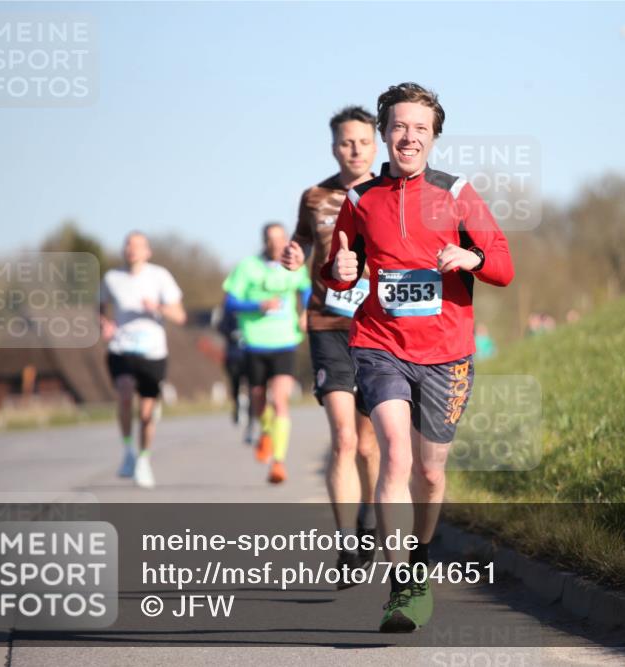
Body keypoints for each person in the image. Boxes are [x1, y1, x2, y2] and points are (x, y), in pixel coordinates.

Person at [321, 82, 513, 632]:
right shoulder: (360, 201)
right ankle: (400, 585)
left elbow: (503, 265)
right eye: (399, 126)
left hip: (446, 354)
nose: (409, 136)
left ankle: (420, 561)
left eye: (420, 129)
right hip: (379, 346)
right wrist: (339, 270)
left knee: (430, 474)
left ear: (433, 137)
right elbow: (338, 267)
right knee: (395, 458)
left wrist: (469, 255)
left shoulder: (456, 193)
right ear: (385, 132)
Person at [282, 106, 381, 584]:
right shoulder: (316, 196)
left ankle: (367, 518)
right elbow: (302, 243)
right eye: (347, 142)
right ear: (334, 146)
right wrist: (292, 253)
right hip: (328, 325)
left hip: (379, 329)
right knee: (343, 437)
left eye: (363, 141)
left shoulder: (391, 193)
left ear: (375, 145)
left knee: (368, 444)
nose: (355, 149)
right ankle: (346, 544)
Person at [223, 222, 311, 484]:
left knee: (280, 400)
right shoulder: (247, 266)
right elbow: (230, 302)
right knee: (259, 399)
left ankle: (279, 463)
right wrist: (257, 304)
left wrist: (306, 311)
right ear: (264, 241)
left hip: (285, 342)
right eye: (271, 239)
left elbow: (305, 288)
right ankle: (265, 432)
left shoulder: (295, 262)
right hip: (254, 343)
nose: (276, 243)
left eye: (280, 238)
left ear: (286, 239)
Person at [99, 231, 186, 489]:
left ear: (147, 252)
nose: (131, 250)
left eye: (137, 246)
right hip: (121, 347)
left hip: (153, 350)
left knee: (147, 413)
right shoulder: (111, 278)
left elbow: (180, 316)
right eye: (127, 245)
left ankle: (144, 460)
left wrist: (157, 308)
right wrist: (103, 324)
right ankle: (128, 452)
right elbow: (99, 308)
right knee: (125, 394)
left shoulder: (160, 276)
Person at [216, 303, 253, 435]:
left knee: (252, 386)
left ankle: (251, 415)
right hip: (233, 356)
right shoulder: (229, 310)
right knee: (235, 384)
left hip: (250, 355)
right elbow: (220, 327)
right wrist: (231, 333)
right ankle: (237, 406)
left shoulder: (254, 307)